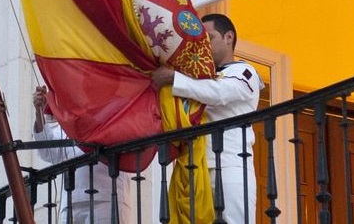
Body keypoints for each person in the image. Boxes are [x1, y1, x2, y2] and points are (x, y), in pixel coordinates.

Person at [150, 13, 264, 224]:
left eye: (209, 38)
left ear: (228, 37)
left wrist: (175, 79)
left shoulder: (244, 71)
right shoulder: (198, 75)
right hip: (194, 165)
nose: (204, 46)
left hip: (230, 166)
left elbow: (219, 92)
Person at [32, 86, 130, 223]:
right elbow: (49, 153)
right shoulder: (70, 119)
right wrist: (39, 113)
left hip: (107, 196)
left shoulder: (116, 109)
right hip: (71, 199)